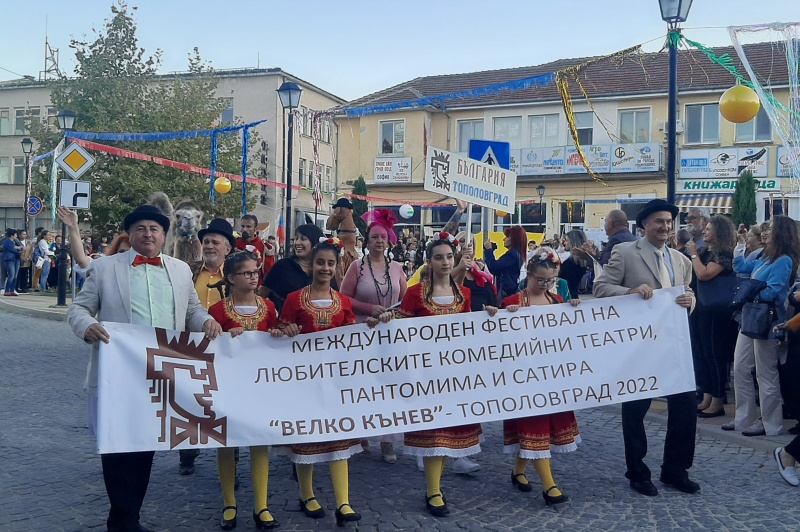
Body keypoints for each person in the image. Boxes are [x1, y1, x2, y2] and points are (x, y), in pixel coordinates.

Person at [67, 204, 222, 532]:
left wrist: (206, 321)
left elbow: (192, 308)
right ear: (130, 234)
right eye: (140, 228)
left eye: (153, 228)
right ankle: (121, 519)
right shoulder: (105, 268)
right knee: (118, 446)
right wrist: (87, 326)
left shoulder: (180, 270)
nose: (147, 234)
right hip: (118, 375)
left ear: (164, 235)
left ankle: (130, 517)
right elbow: (79, 309)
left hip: (161, 376)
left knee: (144, 445)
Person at [373, 233, 496, 517]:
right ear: (429, 262)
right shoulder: (416, 293)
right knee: (433, 432)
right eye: (439, 257)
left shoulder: (464, 294)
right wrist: (389, 321)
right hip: (424, 375)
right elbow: (402, 329)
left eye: (449, 257)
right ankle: (433, 490)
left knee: (449, 433)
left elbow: (466, 330)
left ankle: (436, 486)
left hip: (453, 374)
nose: (444, 262)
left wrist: (488, 314)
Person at [593, 198, 698, 496]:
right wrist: (630, 291)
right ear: (644, 226)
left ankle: (675, 469)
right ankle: (637, 471)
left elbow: (687, 295)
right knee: (636, 408)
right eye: (659, 222)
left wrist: (691, 303)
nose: (665, 227)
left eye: (668, 222)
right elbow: (601, 288)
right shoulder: (625, 252)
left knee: (686, 406)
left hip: (673, 345)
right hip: (639, 346)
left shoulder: (681, 260)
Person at [278, 238, 362, 527]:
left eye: (330, 263)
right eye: (320, 263)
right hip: (303, 382)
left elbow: (351, 338)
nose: (325, 268)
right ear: (311, 265)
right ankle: (307, 494)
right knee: (307, 437)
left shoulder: (344, 302)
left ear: (337, 266)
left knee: (338, 436)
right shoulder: (293, 299)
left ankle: (343, 501)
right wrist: (286, 330)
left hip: (335, 381)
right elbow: (280, 332)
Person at [502, 247, 581, 505]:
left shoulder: (557, 302)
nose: (545, 284)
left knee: (543, 430)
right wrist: (504, 319)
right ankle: (550, 487)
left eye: (551, 280)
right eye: (541, 280)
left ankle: (518, 471)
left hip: (551, 377)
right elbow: (497, 344)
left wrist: (575, 311)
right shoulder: (512, 303)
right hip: (524, 379)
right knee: (533, 427)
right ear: (530, 275)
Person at [208, 251, 280, 530]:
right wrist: (225, 337)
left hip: (260, 386)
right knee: (226, 442)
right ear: (231, 278)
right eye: (247, 273)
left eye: (255, 272)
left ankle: (261, 505)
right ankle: (229, 502)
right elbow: (209, 346)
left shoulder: (270, 308)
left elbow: (279, 341)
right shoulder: (217, 311)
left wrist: (277, 334)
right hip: (228, 386)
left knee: (259, 443)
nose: (253, 277)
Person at [339, 209, 408, 464]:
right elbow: (344, 298)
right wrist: (369, 309)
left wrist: (397, 314)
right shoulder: (357, 268)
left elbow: (405, 299)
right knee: (365, 386)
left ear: (388, 240)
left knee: (389, 388)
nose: (379, 241)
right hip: (364, 332)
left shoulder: (398, 268)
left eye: (383, 237)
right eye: (374, 237)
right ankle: (362, 433)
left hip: (390, 335)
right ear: (367, 242)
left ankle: (388, 441)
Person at [724, 215, 799, 436]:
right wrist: (740, 244)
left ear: (781, 233)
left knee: (765, 373)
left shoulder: (784, 260)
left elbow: (773, 291)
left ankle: (770, 423)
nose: (766, 231)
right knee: (740, 368)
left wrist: (750, 290)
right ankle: (743, 418)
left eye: (771, 228)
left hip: (768, 321)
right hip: (750, 317)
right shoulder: (765, 256)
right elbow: (741, 267)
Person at [178, 218, 236, 476]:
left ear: (228, 249)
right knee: (190, 401)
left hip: (226, 350)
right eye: (206, 242)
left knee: (227, 406)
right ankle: (188, 453)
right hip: (190, 347)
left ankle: (231, 458)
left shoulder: (237, 275)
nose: (209, 246)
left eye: (215, 242)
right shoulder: (187, 271)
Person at [686, 215, 739, 419]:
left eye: (708, 228)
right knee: (702, 354)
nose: (705, 231)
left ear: (718, 231)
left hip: (717, 310)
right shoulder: (705, 251)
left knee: (715, 355)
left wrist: (692, 255)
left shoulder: (724, 253)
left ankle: (718, 400)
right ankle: (707, 395)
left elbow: (705, 274)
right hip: (701, 308)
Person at [262, 224, 335, 313]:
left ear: (315, 242)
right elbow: (262, 295)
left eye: (303, 239)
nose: (297, 242)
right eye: (296, 238)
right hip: (288, 323)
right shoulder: (282, 266)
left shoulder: (325, 270)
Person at [483, 225, 527, 299]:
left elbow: (494, 267)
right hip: (509, 290)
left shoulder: (512, 255)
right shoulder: (517, 254)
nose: (504, 239)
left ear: (514, 239)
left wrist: (489, 250)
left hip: (506, 292)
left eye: (507, 237)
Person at [326, 198, 359, 285]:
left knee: (341, 268)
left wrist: (334, 214)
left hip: (345, 246)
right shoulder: (349, 215)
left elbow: (330, 226)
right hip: (349, 246)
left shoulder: (342, 213)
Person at [558, 229, 591, 299]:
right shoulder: (581, 261)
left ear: (573, 242)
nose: (564, 243)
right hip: (573, 295)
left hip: (567, 296)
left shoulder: (571, 263)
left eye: (566, 240)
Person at [2, 228, 23, 296]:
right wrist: (17, 249)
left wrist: (18, 247)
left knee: (15, 276)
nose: (16, 235)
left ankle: (12, 290)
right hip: (9, 260)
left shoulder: (15, 241)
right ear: (11, 235)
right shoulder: (7, 241)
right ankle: (7, 290)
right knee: (11, 275)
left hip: (16, 259)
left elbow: (21, 247)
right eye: (15, 234)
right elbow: (12, 249)